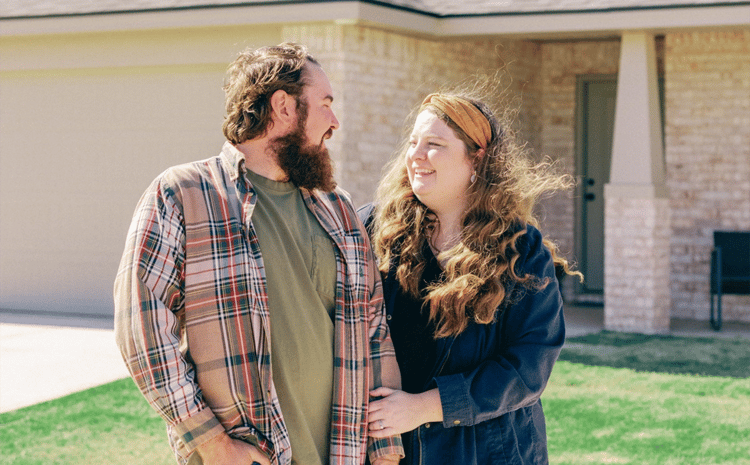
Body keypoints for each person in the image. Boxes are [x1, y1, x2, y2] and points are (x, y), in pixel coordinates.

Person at [114, 43, 403, 465]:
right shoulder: (183, 194)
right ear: (284, 106)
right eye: (324, 104)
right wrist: (211, 442)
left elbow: (375, 335)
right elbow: (140, 327)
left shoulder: (339, 209)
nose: (335, 121)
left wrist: (386, 454)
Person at [358, 91, 581, 464]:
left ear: (477, 158)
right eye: (413, 142)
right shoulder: (374, 230)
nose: (415, 155)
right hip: (395, 452)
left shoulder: (522, 251)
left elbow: (529, 366)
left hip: (491, 453)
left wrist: (424, 408)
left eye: (434, 144)